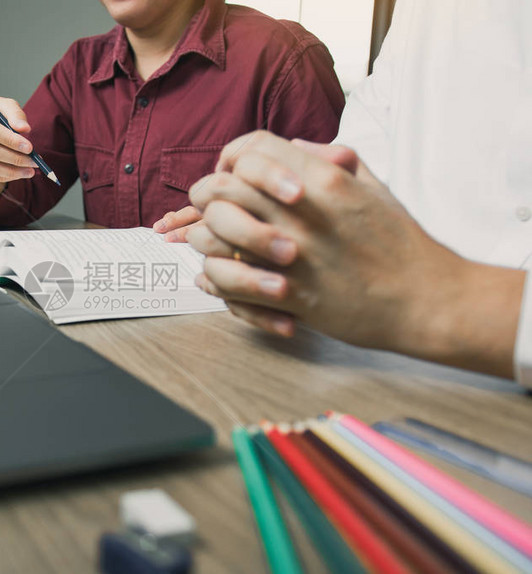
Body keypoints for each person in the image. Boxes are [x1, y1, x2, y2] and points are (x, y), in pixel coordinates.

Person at [186, 0, 532, 386]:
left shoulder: (279, 50)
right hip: (384, 377)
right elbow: (359, 157)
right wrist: (269, 217)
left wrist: (429, 298)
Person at [0, 0, 344, 235]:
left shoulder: (283, 58)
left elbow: (338, 226)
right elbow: (10, 205)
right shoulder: (79, 66)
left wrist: (250, 230)